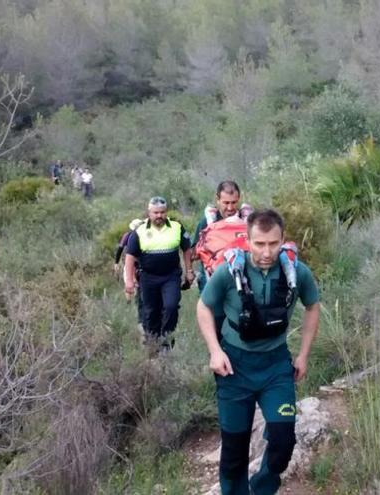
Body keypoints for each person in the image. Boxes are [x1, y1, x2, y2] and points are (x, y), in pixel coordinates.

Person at [196, 209, 321, 495]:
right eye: (259, 244)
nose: (267, 252)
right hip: (234, 367)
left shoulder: (296, 271)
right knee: (234, 452)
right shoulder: (229, 272)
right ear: (247, 241)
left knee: (282, 441)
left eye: (273, 244)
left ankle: (262, 487)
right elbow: (203, 307)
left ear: (282, 240)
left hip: (276, 365)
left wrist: (303, 355)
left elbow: (313, 306)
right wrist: (215, 351)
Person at [124, 197, 195, 349]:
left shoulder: (176, 227)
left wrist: (189, 270)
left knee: (171, 306)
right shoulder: (140, 231)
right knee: (151, 312)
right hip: (148, 278)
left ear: (166, 212)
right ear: (149, 213)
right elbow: (130, 257)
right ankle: (152, 344)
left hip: (171, 276)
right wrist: (128, 280)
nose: (159, 216)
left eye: (162, 212)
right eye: (155, 213)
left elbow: (187, 249)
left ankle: (166, 341)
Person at [192, 180, 242, 293]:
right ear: (217, 199)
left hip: (239, 277)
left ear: (239, 199)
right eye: (226, 203)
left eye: (234, 202)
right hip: (211, 277)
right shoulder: (207, 222)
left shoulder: (245, 221)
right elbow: (193, 253)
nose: (230, 208)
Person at [116, 218, 144, 327]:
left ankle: (132, 301)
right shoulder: (140, 235)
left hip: (134, 263)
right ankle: (133, 301)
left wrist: (116, 262)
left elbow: (120, 249)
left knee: (130, 281)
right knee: (132, 282)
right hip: (136, 263)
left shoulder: (128, 235)